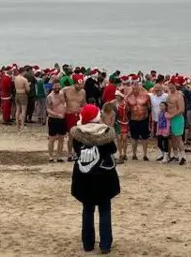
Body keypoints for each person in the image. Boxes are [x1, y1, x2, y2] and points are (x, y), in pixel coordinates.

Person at [70, 104, 120, 255]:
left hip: (84, 176)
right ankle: (105, 245)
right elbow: (112, 149)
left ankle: (88, 244)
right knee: (105, 210)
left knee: (87, 210)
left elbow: (76, 149)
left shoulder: (78, 134)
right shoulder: (106, 132)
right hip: (104, 175)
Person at [126, 75, 151, 161]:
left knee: (145, 137)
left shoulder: (145, 95)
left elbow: (150, 107)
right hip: (133, 119)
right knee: (134, 138)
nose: (134, 90)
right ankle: (134, 154)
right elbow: (126, 107)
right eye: (133, 88)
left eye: (136, 88)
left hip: (143, 119)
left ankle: (145, 154)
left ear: (139, 88)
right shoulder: (129, 97)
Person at [62, 73, 87, 161]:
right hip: (69, 114)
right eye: (78, 85)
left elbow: (84, 103)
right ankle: (69, 153)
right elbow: (58, 98)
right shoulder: (66, 90)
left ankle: (78, 152)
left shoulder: (83, 91)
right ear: (74, 83)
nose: (80, 87)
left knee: (80, 135)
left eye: (81, 85)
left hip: (79, 115)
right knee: (71, 136)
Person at [166, 77, 187, 165]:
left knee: (178, 138)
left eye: (172, 87)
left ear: (175, 86)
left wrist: (172, 115)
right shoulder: (169, 94)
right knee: (172, 138)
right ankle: (175, 155)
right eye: (169, 87)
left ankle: (183, 156)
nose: (171, 89)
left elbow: (182, 109)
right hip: (170, 117)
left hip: (177, 118)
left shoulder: (179, 96)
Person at [47, 80, 67, 163]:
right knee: (52, 138)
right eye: (55, 86)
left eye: (58, 86)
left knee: (62, 138)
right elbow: (48, 109)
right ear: (52, 87)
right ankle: (51, 156)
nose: (57, 87)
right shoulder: (50, 96)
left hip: (62, 119)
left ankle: (59, 156)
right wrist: (56, 114)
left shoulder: (62, 94)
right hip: (53, 119)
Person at [114, 90, 129, 162]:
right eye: (116, 96)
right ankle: (120, 154)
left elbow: (128, 111)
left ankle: (125, 154)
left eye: (117, 96)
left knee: (125, 139)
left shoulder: (126, 103)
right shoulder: (114, 103)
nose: (116, 97)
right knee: (119, 139)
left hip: (125, 122)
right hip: (118, 122)